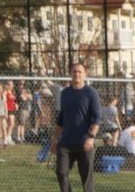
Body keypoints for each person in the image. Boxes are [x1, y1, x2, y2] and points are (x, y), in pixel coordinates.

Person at [51, 63, 102, 192]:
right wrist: (54, 138)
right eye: (74, 71)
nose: (77, 74)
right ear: (70, 74)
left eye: (80, 72)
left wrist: (91, 138)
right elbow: (62, 117)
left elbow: (97, 118)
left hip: (84, 143)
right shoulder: (65, 93)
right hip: (65, 143)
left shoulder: (91, 93)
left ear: (85, 74)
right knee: (61, 173)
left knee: (86, 180)